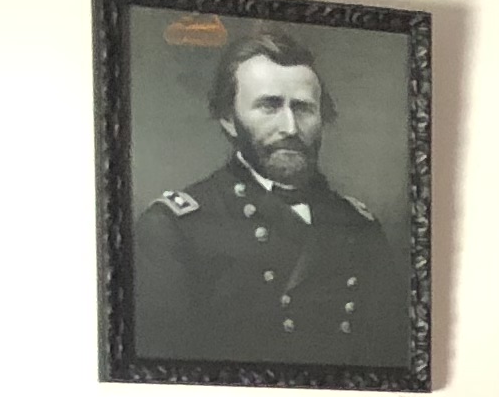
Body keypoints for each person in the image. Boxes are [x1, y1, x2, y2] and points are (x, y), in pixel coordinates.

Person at [130, 26, 410, 368]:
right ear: (228, 119)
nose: (290, 127)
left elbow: (391, 358)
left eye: (304, 108)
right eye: (269, 106)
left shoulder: (360, 228)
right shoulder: (173, 229)